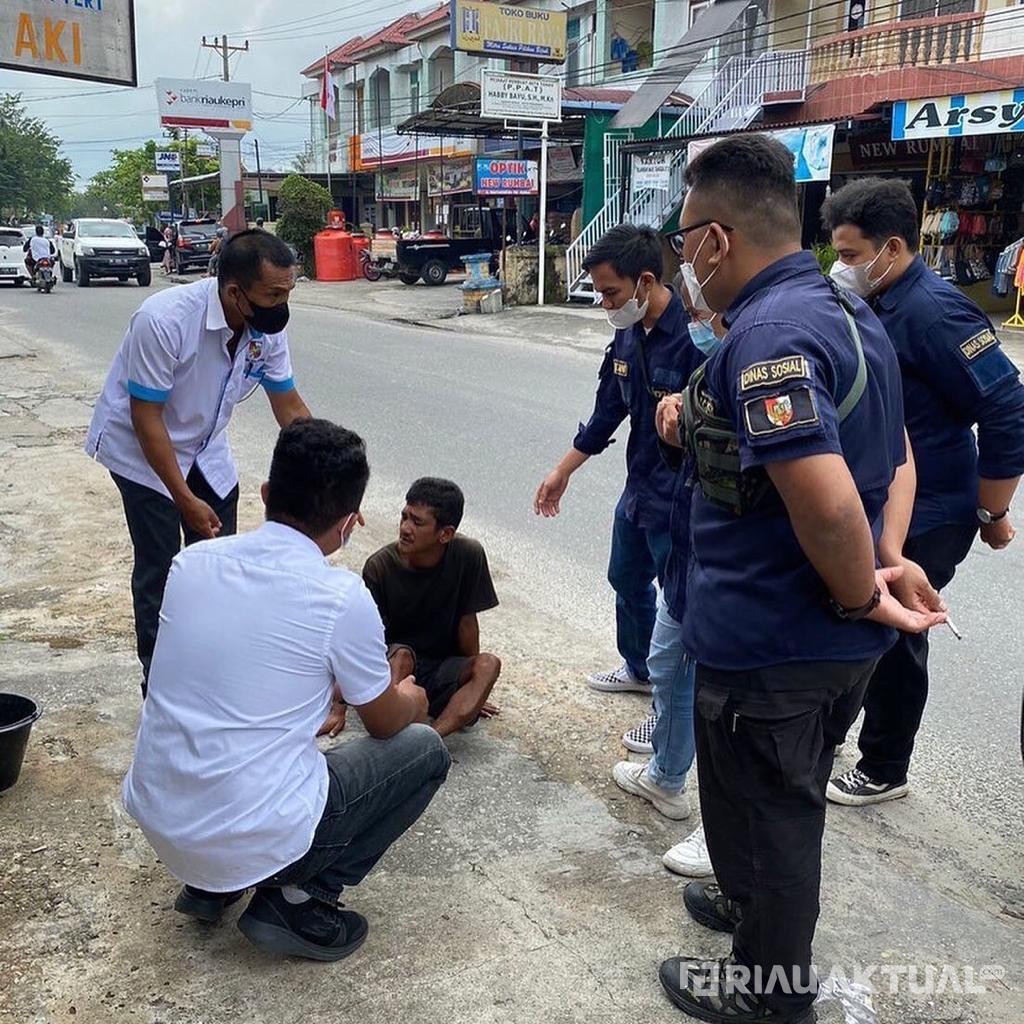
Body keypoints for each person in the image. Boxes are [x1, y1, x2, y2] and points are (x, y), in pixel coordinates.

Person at [657, 134, 946, 1024]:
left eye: (681, 242)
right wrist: (889, 561)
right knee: (756, 796)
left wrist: (864, 587)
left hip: (779, 642)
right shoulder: (847, 307)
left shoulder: (773, 334)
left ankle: (768, 992)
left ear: (712, 241)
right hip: (814, 635)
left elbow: (824, 504)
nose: (682, 262)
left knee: (777, 816)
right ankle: (747, 907)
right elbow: (894, 453)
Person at [123, 418, 450, 962]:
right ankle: (299, 900)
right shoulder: (340, 597)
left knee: (246, 722)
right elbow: (387, 723)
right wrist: (413, 700)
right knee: (424, 751)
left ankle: (212, 885)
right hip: (246, 833)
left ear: (267, 494)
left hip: (163, 823)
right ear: (347, 525)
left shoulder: (191, 563)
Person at [821, 178, 1024, 806]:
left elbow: (1008, 407)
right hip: (885, 497)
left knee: (894, 630)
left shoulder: (937, 310)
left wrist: (992, 509)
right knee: (861, 617)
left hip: (933, 504)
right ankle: (833, 737)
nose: (842, 268)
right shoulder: (877, 301)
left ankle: (884, 766)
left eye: (851, 256)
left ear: (893, 247)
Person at [84, 229, 312, 695]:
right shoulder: (164, 321)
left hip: (205, 447)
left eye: (288, 291)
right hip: (142, 452)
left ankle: (210, 674)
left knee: (219, 562)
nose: (282, 303)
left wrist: (333, 471)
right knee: (161, 568)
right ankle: (161, 685)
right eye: (273, 294)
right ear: (235, 292)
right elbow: (146, 417)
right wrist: (183, 498)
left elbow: (288, 405)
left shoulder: (265, 329)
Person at [534, 224, 696, 698]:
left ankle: (670, 709)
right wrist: (562, 470)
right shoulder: (628, 335)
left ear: (645, 282)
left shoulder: (695, 338)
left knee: (679, 604)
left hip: (681, 496)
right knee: (625, 578)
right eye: (600, 293)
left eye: (611, 292)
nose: (605, 303)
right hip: (640, 489)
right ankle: (640, 669)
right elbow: (607, 413)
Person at [363, 478, 501, 738]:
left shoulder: (468, 555)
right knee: (401, 655)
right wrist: (337, 704)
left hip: (442, 667)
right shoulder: (380, 567)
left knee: (488, 665)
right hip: (397, 666)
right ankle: (392, 723)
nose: (404, 528)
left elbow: (467, 622)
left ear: (445, 534)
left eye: (417, 522)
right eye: (404, 517)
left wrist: (471, 686)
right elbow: (362, 641)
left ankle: (432, 739)